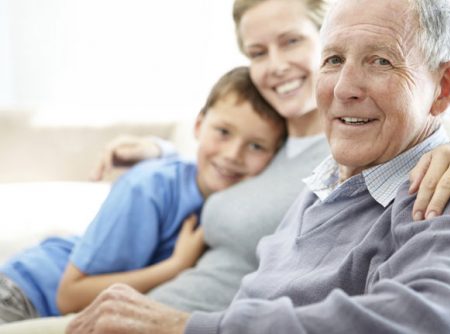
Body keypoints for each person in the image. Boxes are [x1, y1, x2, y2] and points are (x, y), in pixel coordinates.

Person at [1, 0, 450, 332]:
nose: (345, 87)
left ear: (445, 87)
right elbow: (220, 160)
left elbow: (449, 321)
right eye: (334, 59)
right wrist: (164, 155)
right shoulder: (320, 165)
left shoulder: (448, 187)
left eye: (380, 59)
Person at [0, 66, 287, 324]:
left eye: (256, 147)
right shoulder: (147, 187)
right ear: (199, 126)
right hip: (23, 293)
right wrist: (175, 266)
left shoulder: (238, 201)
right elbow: (69, 295)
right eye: (223, 132)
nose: (232, 154)